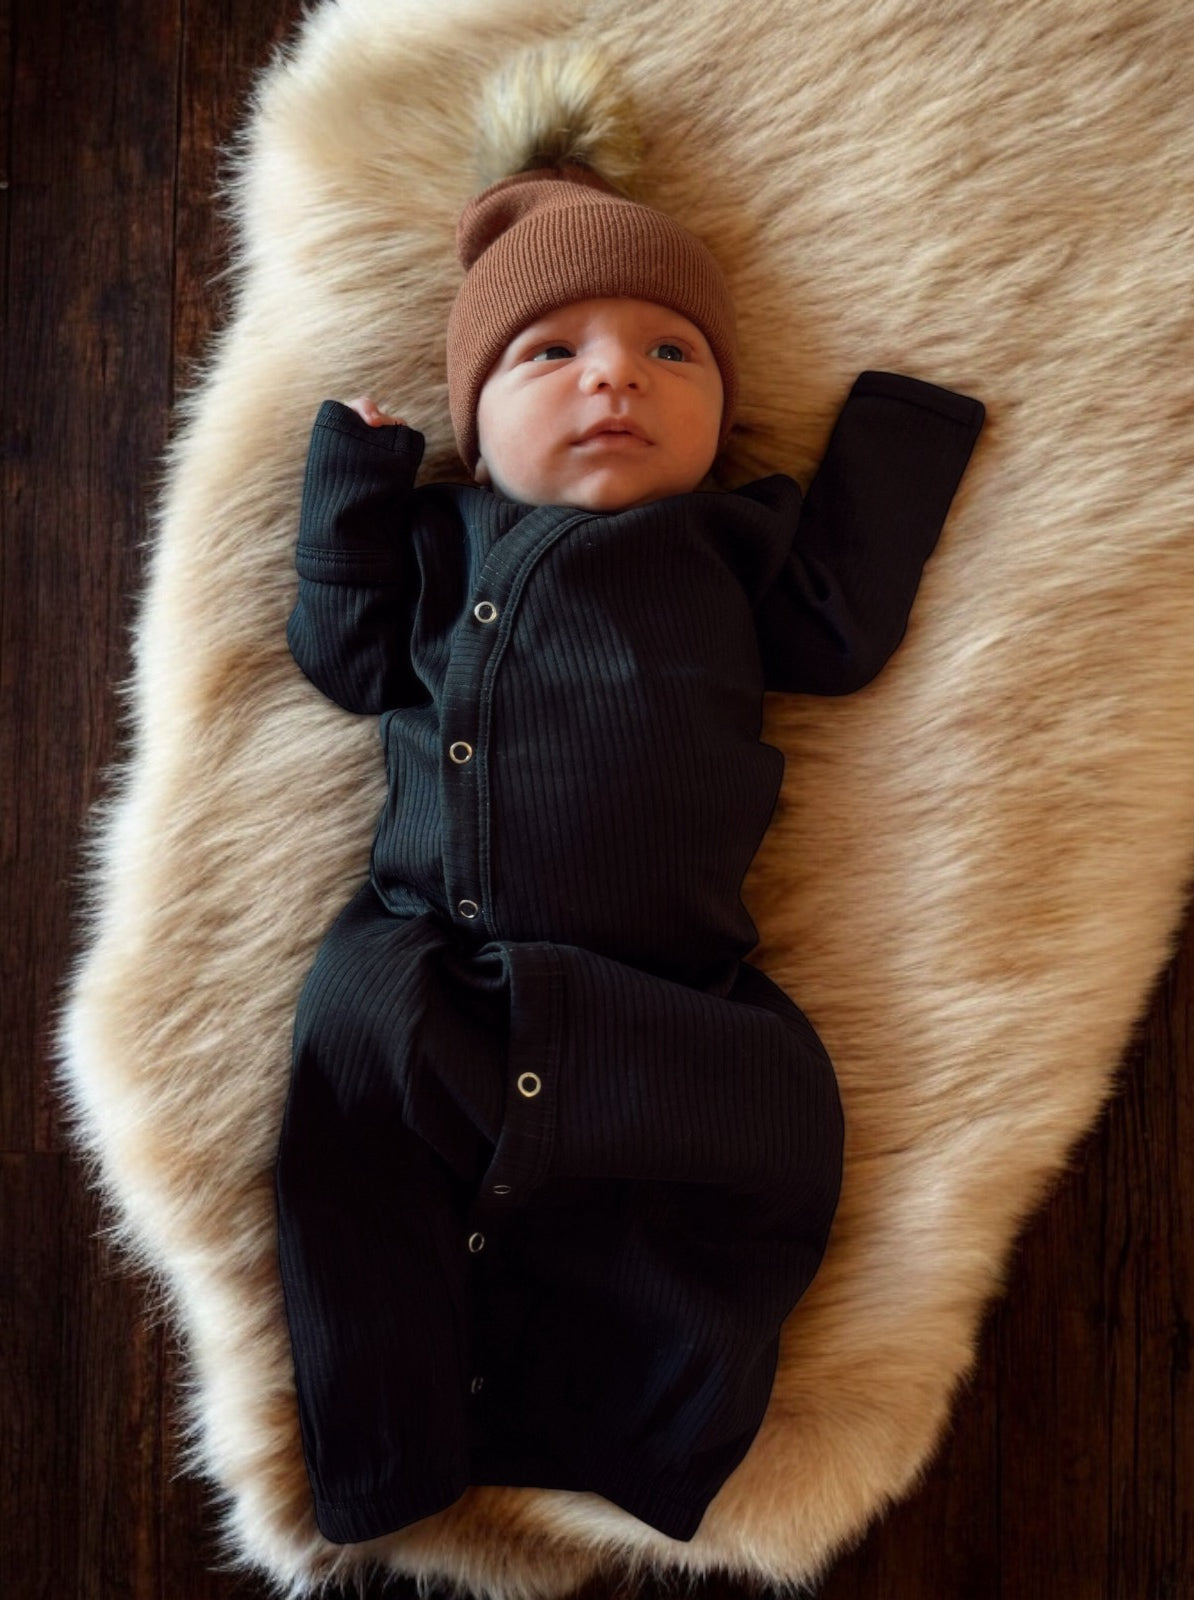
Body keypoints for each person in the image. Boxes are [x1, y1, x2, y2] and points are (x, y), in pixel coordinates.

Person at [274, 159, 985, 1547]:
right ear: (472, 429)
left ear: (721, 415)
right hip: (429, 954)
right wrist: (349, 490)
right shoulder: (442, 538)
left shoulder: (730, 541)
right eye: (552, 353)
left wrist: (897, 445)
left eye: (671, 352)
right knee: (355, 1146)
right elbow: (347, 658)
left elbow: (838, 631)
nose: (618, 379)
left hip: (672, 989)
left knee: (757, 1148)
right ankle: (387, 1440)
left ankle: (633, 1433)